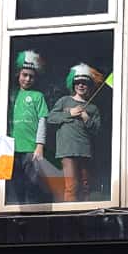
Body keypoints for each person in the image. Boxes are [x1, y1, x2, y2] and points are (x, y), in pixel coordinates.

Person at [0, 51, 51, 204]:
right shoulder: (10, 94)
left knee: (32, 184)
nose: (28, 79)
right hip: (10, 148)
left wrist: (40, 145)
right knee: (15, 185)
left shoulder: (38, 96)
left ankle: (31, 214)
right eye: (25, 75)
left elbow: (43, 120)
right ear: (18, 75)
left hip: (31, 149)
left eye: (31, 76)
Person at [46, 64, 103, 202]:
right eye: (78, 83)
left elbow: (96, 130)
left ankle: (86, 218)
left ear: (89, 86)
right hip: (67, 150)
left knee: (85, 186)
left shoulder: (92, 108)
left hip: (85, 151)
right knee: (71, 186)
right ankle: (69, 218)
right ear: (73, 85)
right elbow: (51, 118)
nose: (81, 86)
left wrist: (86, 117)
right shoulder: (64, 100)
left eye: (84, 83)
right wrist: (70, 113)